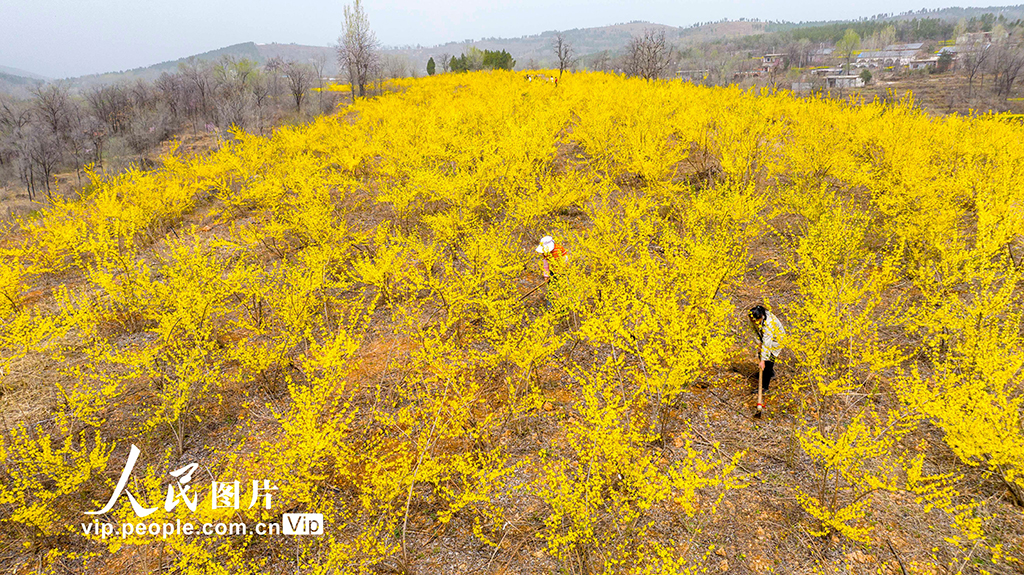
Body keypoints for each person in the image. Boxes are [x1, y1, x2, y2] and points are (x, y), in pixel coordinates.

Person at [748, 305, 785, 391]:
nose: (754, 322)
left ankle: (764, 387)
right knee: (761, 354)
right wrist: (759, 343)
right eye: (752, 321)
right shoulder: (752, 316)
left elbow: (767, 344)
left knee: (768, 361)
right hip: (764, 337)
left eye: (756, 321)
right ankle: (769, 373)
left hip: (776, 340)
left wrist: (763, 360)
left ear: (761, 317)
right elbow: (753, 331)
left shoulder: (769, 323)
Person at [536, 235, 568, 306]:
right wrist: (546, 275)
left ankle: (563, 304)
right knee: (550, 288)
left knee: (561, 287)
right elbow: (546, 264)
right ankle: (549, 306)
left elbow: (565, 258)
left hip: (561, 270)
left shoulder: (559, 248)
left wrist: (561, 269)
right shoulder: (545, 252)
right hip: (552, 271)